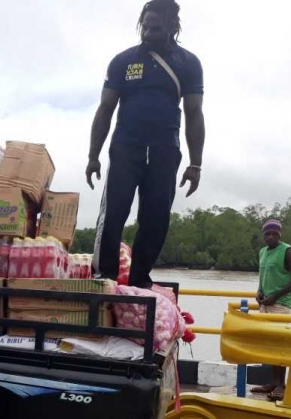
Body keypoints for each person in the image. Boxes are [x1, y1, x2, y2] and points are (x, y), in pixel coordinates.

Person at [86, 0, 205, 288]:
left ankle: (140, 280)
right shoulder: (123, 61)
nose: (149, 31)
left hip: (166, 149)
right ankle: (105, 278)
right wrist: (93, 156)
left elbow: (193, 113)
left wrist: (195, 164)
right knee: (114, 213)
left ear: (171, 27)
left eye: (156, 27)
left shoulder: (189, 63)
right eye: (146, 26)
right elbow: (105, 109)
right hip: (126, 147)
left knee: (155, 218)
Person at [251, 220, 291, 401]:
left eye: (274, 234)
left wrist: (276, 295)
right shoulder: (263, 251)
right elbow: (264, 275)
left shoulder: (288, 252)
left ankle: (281, 386)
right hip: (266, 304)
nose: (270, 237)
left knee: (280, 345)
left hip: (281, 304)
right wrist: (259, 291)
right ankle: (272, 381)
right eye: (267, 234)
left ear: (280, 235)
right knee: (269, 344)